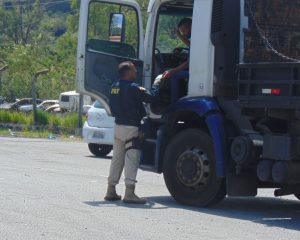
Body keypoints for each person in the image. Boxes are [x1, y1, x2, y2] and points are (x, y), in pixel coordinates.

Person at [104, 61, 161, 204]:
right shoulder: (134, 88)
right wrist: (157, 84)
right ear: (128, 72)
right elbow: (152, 98)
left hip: (118, 127)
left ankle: (111, 190)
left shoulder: (114, 87)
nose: (136, 72)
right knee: (132, 158)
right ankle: (129, 193)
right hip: (131, 128)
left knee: (117, 159)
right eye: (134, 70)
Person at [162, 18, 192, 103]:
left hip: (195, 70)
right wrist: (178, 35)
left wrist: (172, 71)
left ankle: (174, 103)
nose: (183, 33)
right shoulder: (197, 37)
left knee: (174, 75)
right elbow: (190, 44)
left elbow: (187, 64)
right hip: (194, 68)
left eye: (183, 30)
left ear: (190, 26)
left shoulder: (198, 37)